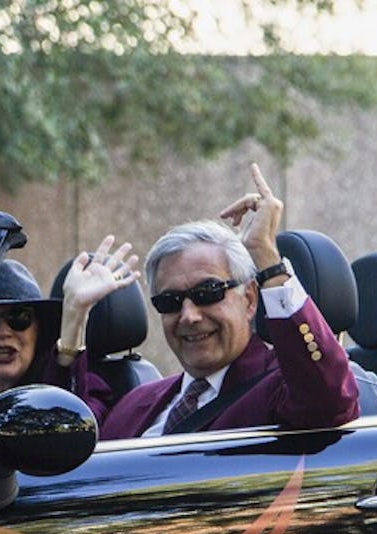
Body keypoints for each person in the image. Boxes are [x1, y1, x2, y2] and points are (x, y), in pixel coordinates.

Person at [99, 163, 360, 439]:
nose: (188, 315)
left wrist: (266, 258)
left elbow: (329, 403)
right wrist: (74, 319)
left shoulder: (281, 389)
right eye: (170, 301)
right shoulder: (133, 406)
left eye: (208, 293)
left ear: (249, 299)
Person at [0, 243, 138, 449]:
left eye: (19, 318)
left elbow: (69, 426)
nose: (3, 332)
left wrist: (75, 314)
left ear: (38, 332)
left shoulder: (92, 391)